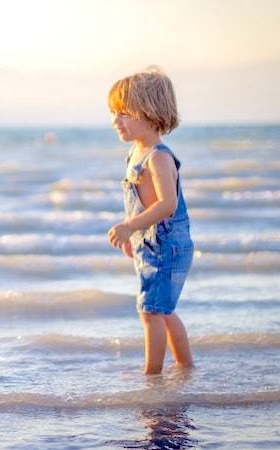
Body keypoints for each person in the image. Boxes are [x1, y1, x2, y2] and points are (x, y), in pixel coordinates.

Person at [106, 66, 194, 374]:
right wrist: (133, 236)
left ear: (149, 113)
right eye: (113, 113)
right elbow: (138, 203)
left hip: (168, 245)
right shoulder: (135, 153)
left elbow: (167, 204)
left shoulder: (158, 156)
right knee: (162, 310)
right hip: (150, 243)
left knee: (151, 311)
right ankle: (184, 367)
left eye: (124, 113)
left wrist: (130, 226)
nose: (115, 120)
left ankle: (152, 375)